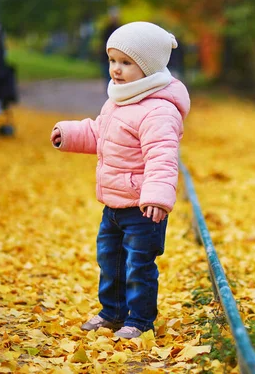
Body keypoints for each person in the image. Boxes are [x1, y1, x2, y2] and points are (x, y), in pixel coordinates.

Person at [50, 22, 190, 339]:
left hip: (143, 207)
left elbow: (162, 155)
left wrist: (156, 197)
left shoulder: (158, 110)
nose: (116, 69)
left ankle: (139, 321)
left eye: (126, 63)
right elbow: (101, 133)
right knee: (110, 261)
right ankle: (112, 313)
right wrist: (70, 134)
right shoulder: (119, 100)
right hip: (113, 203)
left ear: (149, 66)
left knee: (138, 266)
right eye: (113, 60)